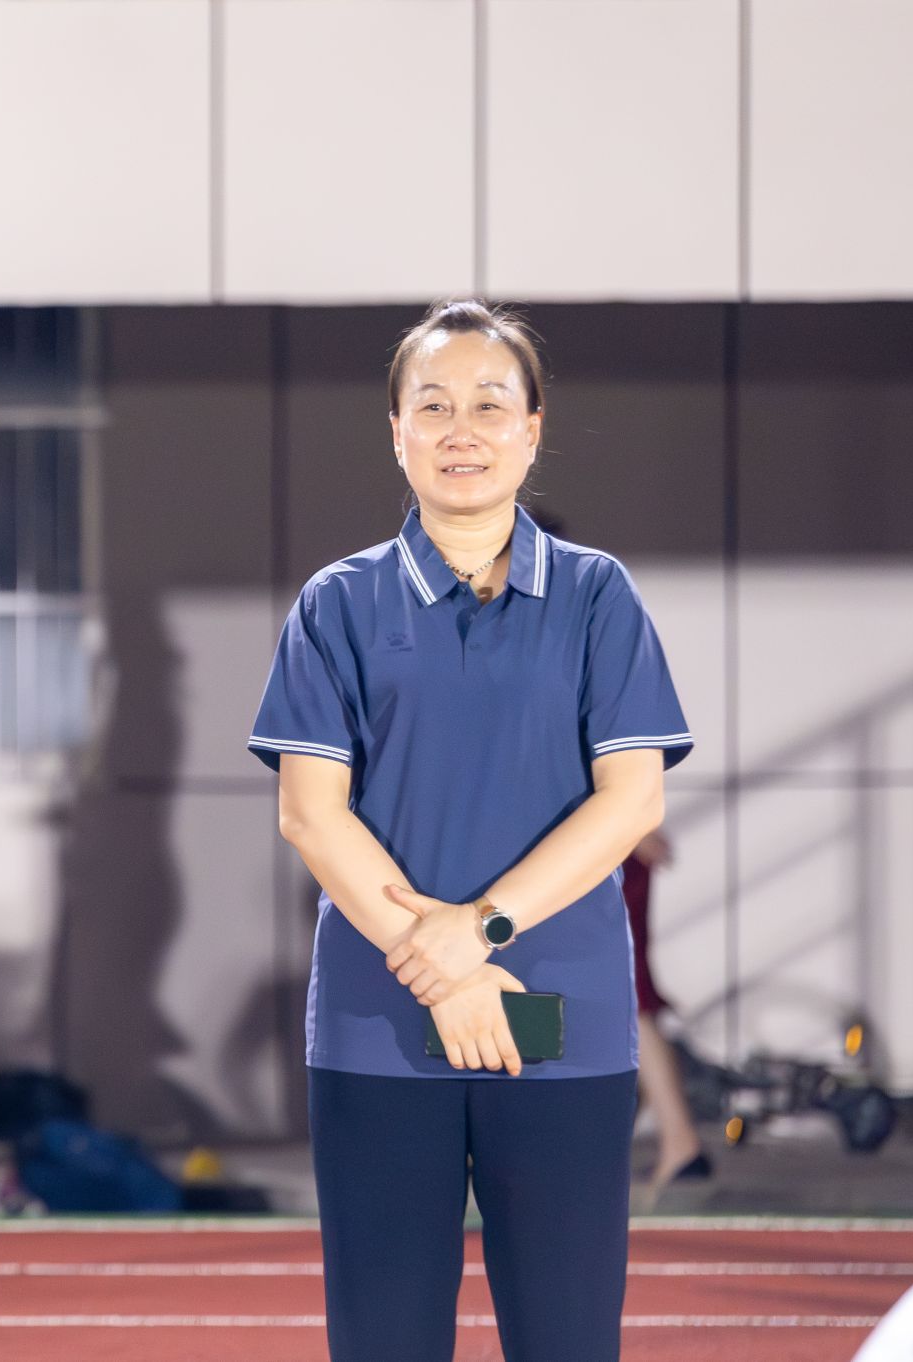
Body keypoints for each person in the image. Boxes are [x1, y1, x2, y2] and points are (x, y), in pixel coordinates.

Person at [251, 299, 691, 1362]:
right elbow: (310, 813)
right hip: (380, 1026)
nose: (462, 430)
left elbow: (631, 801)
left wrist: (478, 933)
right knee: (384, 1338)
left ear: (531, 430)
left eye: (490, 405)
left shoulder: (597, 597)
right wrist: (444, 974)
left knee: (565, 1336)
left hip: (558, 1023)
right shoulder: (336, 604)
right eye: (433, 405)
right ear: (396, 431)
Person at [625, 828, 712, 1186]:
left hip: (604, 845)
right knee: (629, 996)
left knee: (629, 995)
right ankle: (678, 1141)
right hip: (601, 841)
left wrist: (632, 828)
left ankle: (680, 1141)